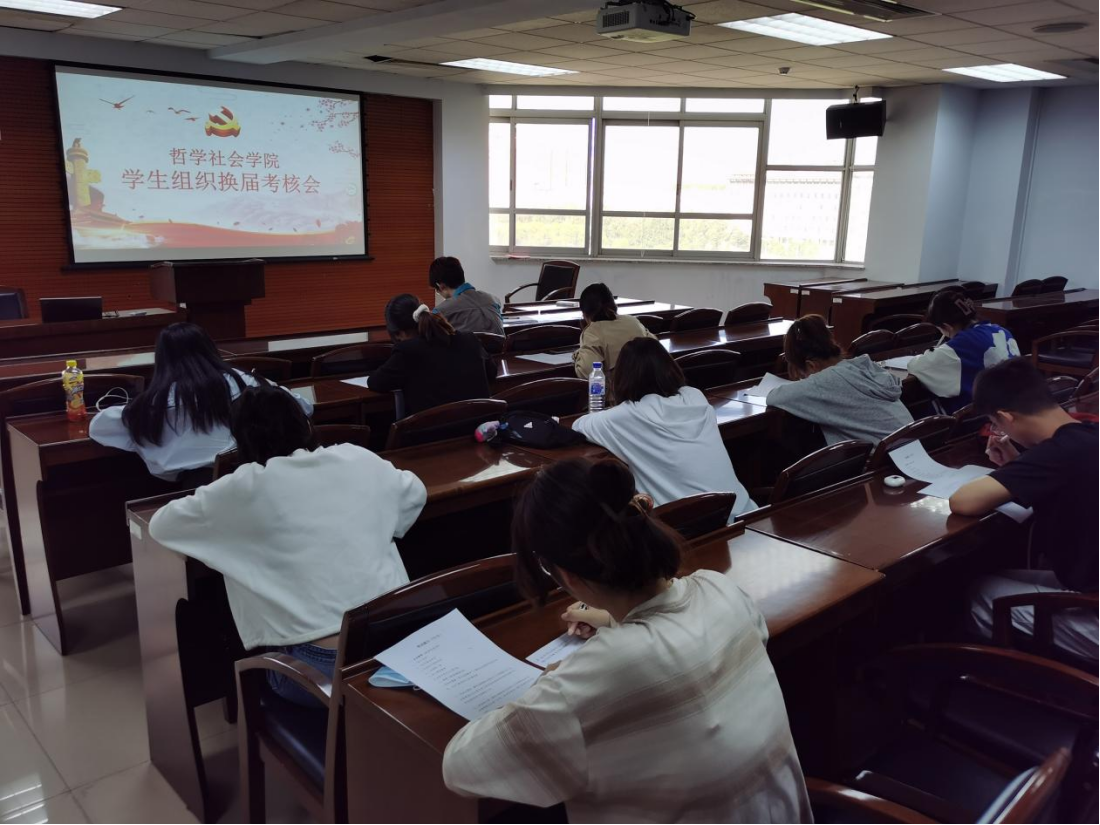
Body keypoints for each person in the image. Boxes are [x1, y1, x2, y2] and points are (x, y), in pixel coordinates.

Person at [443, 459, 811, 824]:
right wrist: (613, 619)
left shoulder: (593, 679)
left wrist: (553, 681)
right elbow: (687, 642)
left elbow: (460, 766)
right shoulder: (720, 588)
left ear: (567, 576)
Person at [149, 385, 427, 706]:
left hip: (320, 668)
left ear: (239, 442)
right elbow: (415, 492)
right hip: (397, 641)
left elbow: (160, 525)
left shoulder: (241, 488)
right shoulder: (355, 456)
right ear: (306, 424)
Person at [950, 359, 1098, 662]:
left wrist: (1018, 467)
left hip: (1094, 613)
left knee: (980, 591)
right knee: (999, 576)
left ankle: (1008, 677)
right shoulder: (1088, 434)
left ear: (1006, 417)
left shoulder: (1057, 454)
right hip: (1090, 582)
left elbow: (963, 501)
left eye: (996, 424)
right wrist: (1018, 465)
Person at [89, 322, 312, 481]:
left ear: (161, 359)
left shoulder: (154, 402)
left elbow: (99, 428)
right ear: (210, 349)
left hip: (197, 487)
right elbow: (302, 406)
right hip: (262, 476)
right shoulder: (244, 380)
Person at [573, 337, 755, 518]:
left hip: (692, 525)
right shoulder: (695, 396)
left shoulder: (626, 416)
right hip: (745, 513)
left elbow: (579, 425)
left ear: (622, 378)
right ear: (670, 369)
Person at [768, 314, 913, 445]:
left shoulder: (825, 382)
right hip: (913, 446)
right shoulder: (862, 366)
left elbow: (774, 397)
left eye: (802, 375)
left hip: (889, 458)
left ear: (811, 366)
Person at [367, 293, 497, 415]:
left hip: (438, 430)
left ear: (398, 333)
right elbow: (492, 372)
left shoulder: (407, 351)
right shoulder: (469, 339)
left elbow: (375, 382)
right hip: (482, 425)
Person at [908, 287, 1020, 413]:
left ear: (947, 327)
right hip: (1011, 403)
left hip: (979, 414)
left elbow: (917, 366)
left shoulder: (961, 345)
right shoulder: (1002, 331)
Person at [573, 283, 656, 380]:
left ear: (584, 314)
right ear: (614, 304)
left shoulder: (592, 332)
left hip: (622, 387)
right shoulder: (633, 321)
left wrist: (577, 355)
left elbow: (588, 372)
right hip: (650, 382)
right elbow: (656, 347)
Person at [428, 255, 504, 335]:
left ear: (441, 286)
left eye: (436, 290)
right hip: (501, 343)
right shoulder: (494, 300)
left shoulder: (439, 312)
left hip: (467, 344)